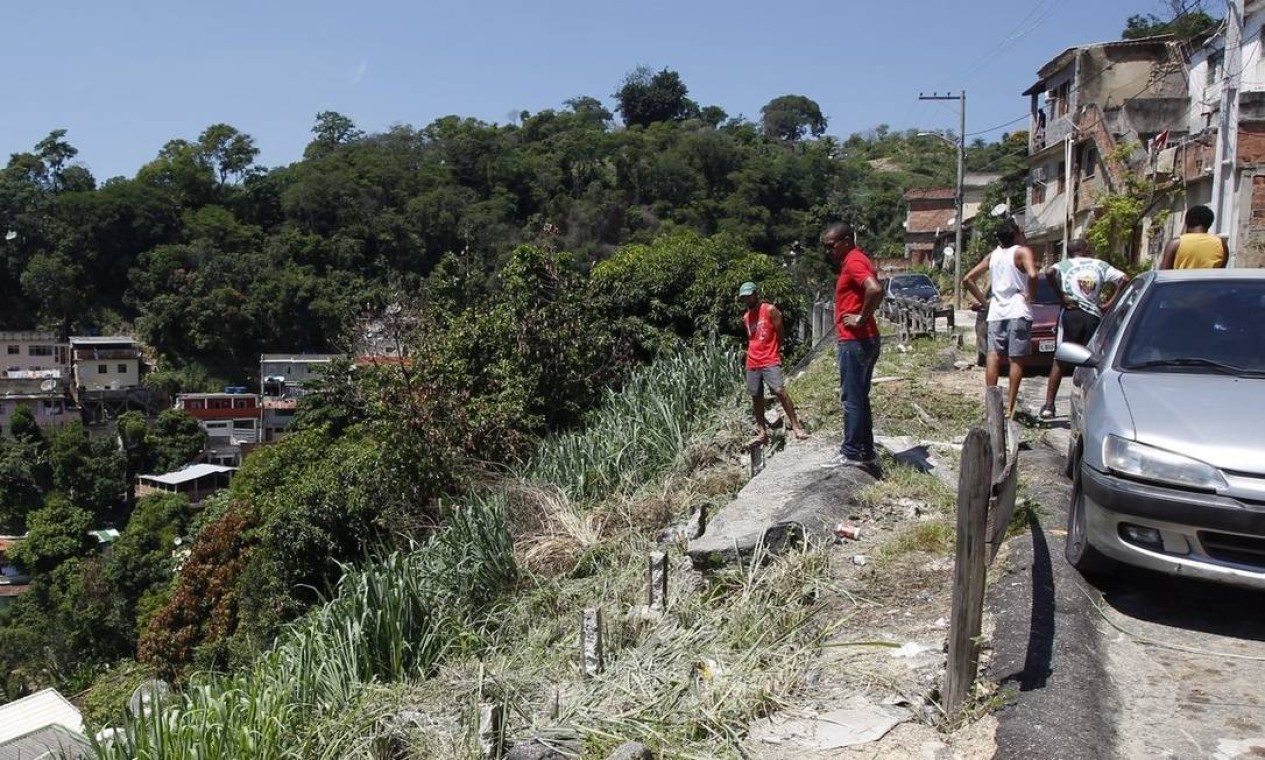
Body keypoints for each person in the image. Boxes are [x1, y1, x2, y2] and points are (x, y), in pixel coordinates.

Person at [1039, 238, 1130, 419]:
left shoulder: (1064, 265)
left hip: (1072, 314)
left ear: (1070, 251)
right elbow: (1125, 278)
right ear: (1086, 250)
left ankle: (1049, 405)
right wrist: (1109, 303)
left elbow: (1049, 272)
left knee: (1060, 358)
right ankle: (1092, 406)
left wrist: (1061, 295)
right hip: (1094, 316)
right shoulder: (1100, 265)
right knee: (1093, 361)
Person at [820, 224, 884, 472]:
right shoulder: (858, 260)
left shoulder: (854, 262)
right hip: (864, 340)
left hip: (855, 340)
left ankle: (851, 452)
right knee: (860, 397)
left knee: (851, 399)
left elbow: (875, 289)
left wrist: (860, 317)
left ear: (846, 241)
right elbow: (876, 289)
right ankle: (866, 451)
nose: (828, 252)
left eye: (831, 246)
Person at [964, 219, 1040, 418]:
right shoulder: (1022, 252)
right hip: (1018, 309)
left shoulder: (993, 256)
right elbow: (1033, 275)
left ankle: (991, 405)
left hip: (997, 311)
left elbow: (968, 279)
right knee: (1016, 360)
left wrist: (985, 301)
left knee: (993, 355)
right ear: (1016, 233)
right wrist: (1030, 296)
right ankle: (1010, 408)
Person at [739, 281, 808, 448]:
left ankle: (796, 426)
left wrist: (777, 349)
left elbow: (780, 331)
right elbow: (751, 339)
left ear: (755, 294)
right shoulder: (746, 318)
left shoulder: (769, 310)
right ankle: (762, 432)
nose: (748, 299)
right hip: (752, 361)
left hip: (769, 358)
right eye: (745, 298)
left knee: (779, 391)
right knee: (756, 396)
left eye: (750, 295)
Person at [1158, 205, 1229, 269]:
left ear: (1187, 223)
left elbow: (1163, 275)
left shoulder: (1175, 244)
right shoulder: (1221, 244)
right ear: (1209, 224)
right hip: (1209, 284)